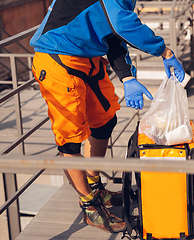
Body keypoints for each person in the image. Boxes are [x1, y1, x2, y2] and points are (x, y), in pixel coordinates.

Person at [30, 0, 185, 233]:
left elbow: (112, 33)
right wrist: (164, 51)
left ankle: (95, 186)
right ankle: (90, 207)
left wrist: (127, 77)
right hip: (57, 58)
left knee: (105, 120)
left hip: (87, 57)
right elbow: (123, 24)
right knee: (70, 140)